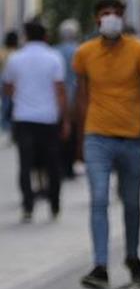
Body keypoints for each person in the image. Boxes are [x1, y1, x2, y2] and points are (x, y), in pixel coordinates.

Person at [74, 0, 140, 289]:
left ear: (123, 19)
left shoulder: (139, 50)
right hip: (97, 136)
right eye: (105, 14)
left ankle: (132, 255)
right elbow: (82, 96)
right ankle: (100, 265)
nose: (111, 18)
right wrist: (78, 137)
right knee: (99, 199)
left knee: (131, 202)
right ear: (96, 20)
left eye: (116, 14)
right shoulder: (84, 53)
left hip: (132, 138)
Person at [3, 22, 67, 222]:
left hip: (23, 117)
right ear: (46, 36)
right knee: (52, 163)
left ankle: (28, 205)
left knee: (25, 163)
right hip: (48, 118)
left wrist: (19, 98)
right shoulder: (54, 57)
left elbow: (7, 88)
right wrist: (64, 118)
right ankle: (54, 204)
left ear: (26, 36)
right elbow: (60, 91)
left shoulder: (15, 59)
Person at [56, 19, 80, 179]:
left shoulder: (54, 51)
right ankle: (70, 166)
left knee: (59, 133)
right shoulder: (80, 51)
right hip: (75, 97)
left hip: (57, 98)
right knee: (72, 133)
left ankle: (60, 165)